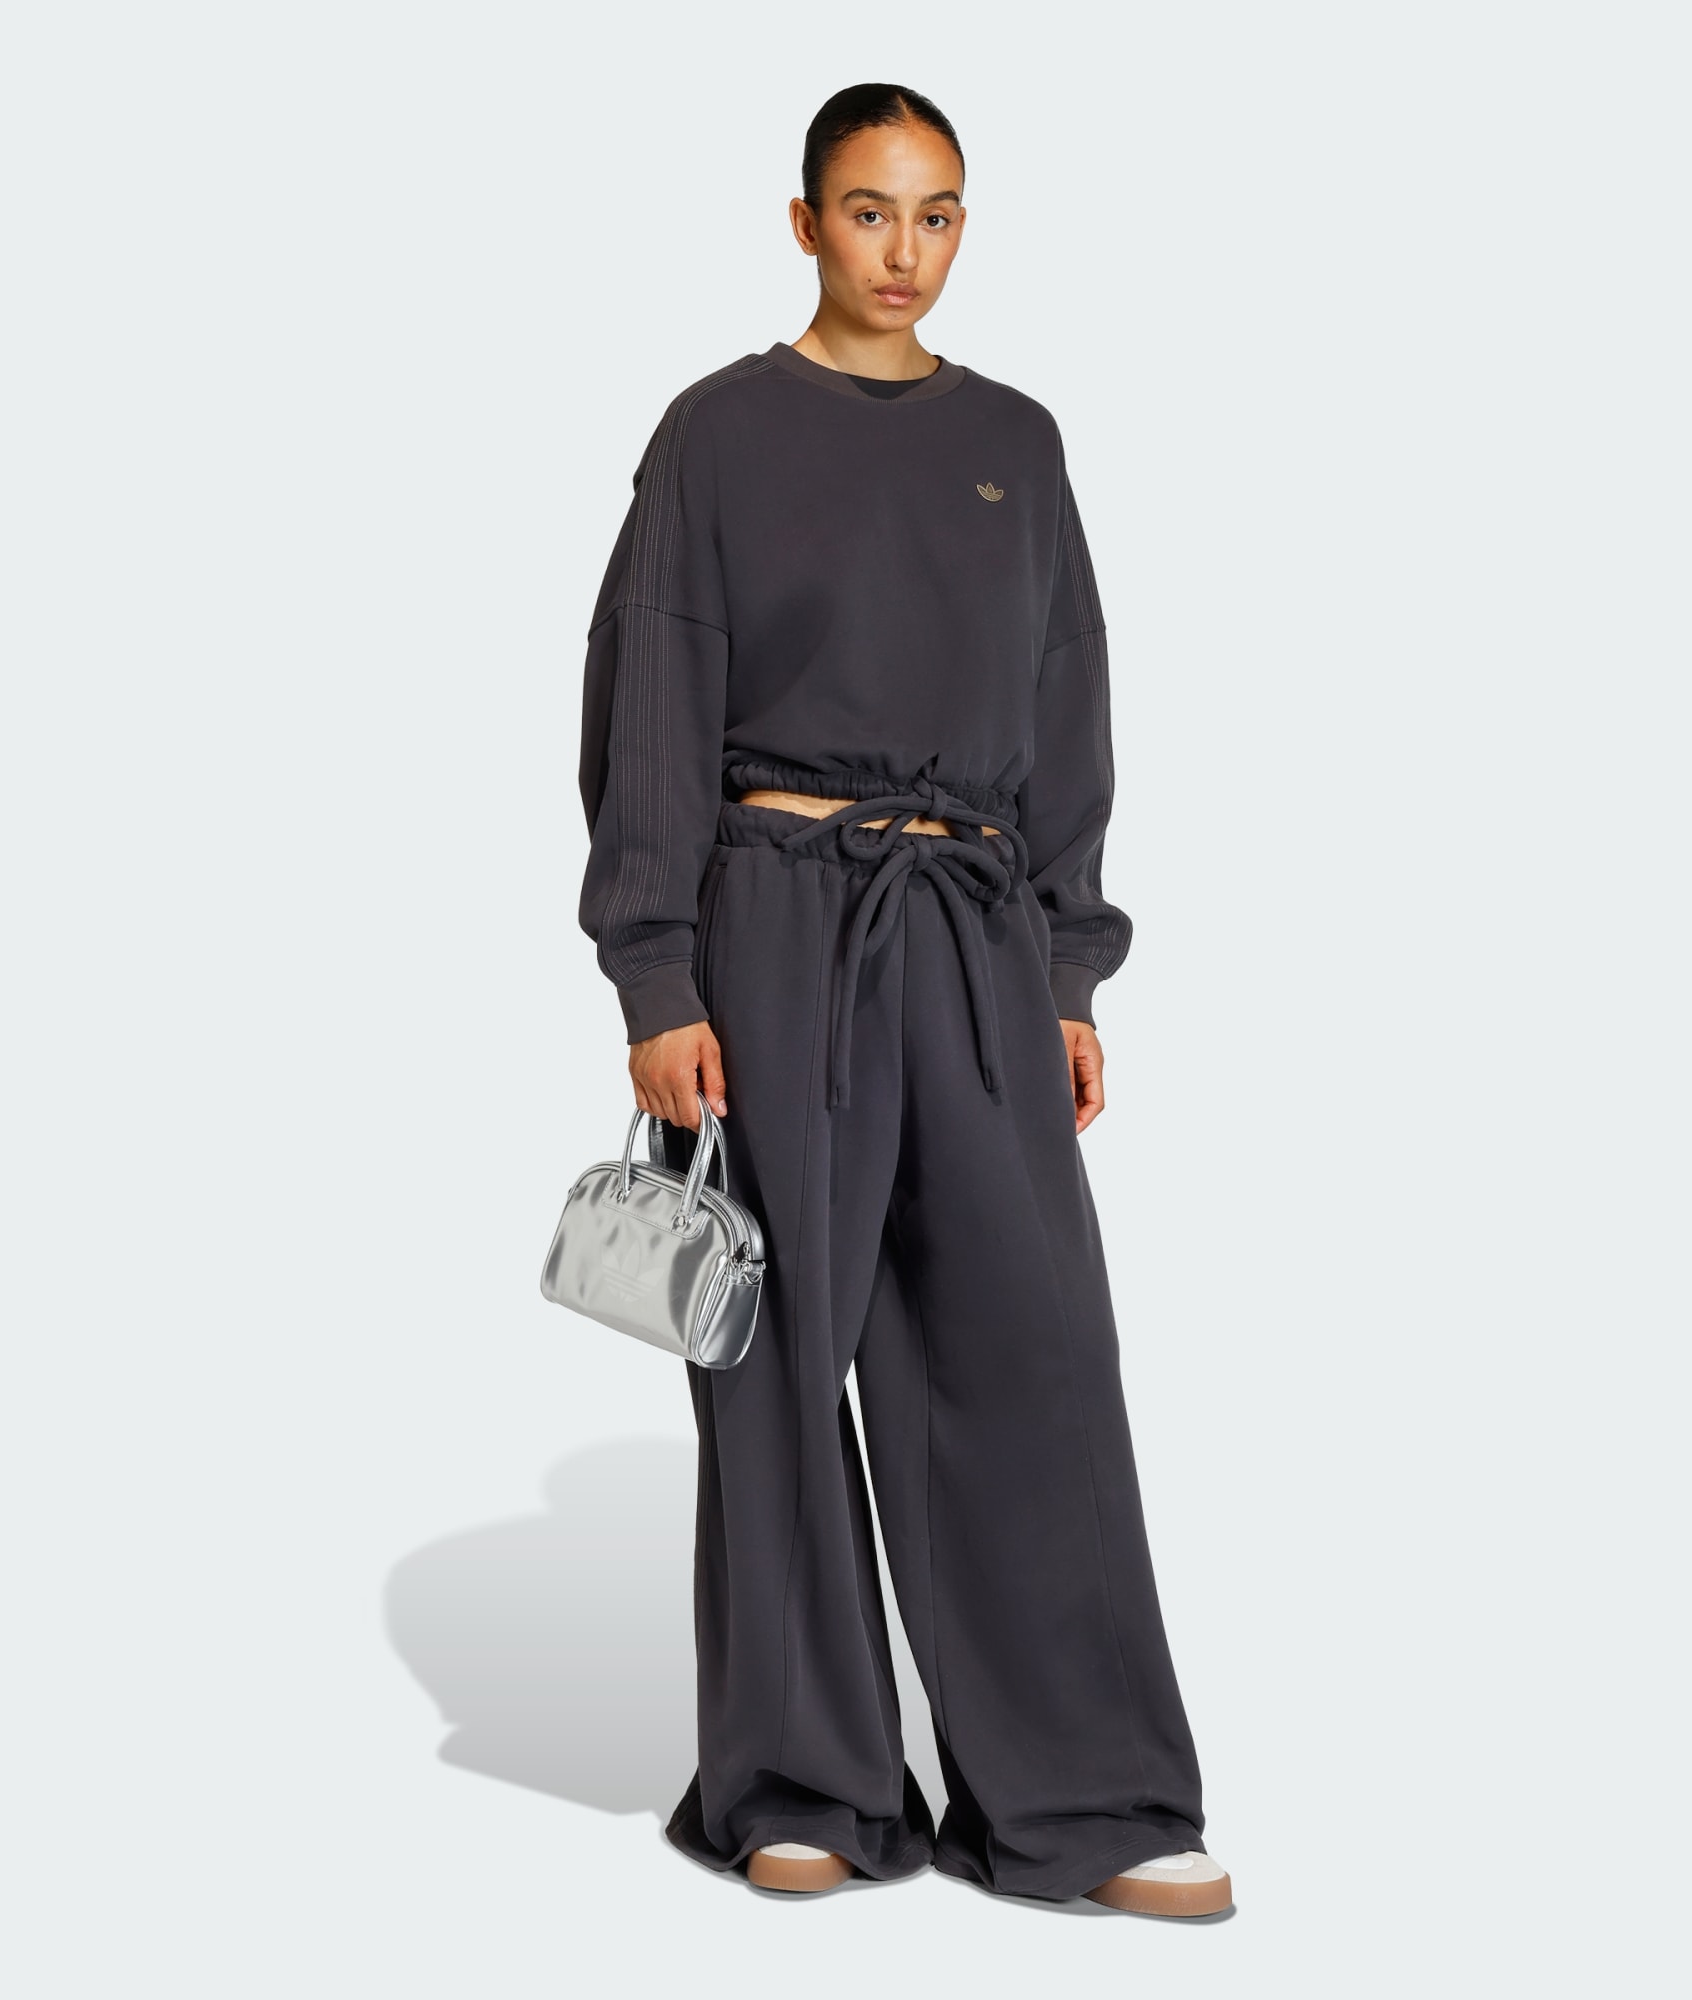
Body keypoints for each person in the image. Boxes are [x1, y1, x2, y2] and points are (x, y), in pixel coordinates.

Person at [575, 82, 1231, 1919]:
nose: (904, 250)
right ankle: (805, 1779)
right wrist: (656, 970)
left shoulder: (1017, 440)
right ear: (806, 222)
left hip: (975, 926)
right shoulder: (716, 434)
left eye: (938, 215)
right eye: (870, 212)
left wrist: (1069, 964)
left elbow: (1066, 706)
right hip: (775, 917)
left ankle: (1086, 1797)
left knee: (1033, 1346)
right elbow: (649, 703)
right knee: (781, 1349)